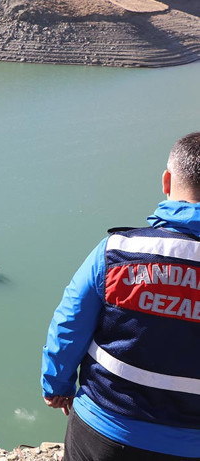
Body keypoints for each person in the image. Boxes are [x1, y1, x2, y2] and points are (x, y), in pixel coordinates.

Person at [41, 132, 200, 460]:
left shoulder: (117, 251)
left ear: (167, 181)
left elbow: (69, 322)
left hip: (103, 431)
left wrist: (56, 387)